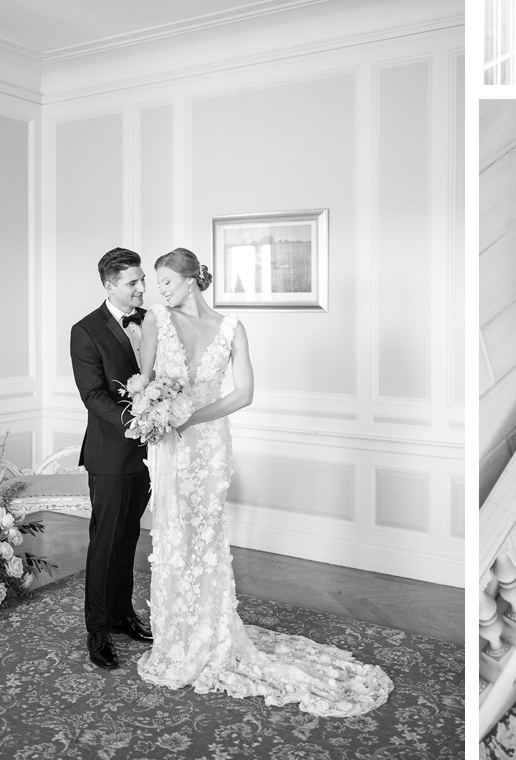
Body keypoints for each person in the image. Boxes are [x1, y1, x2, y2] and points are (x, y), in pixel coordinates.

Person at [133, 247, 391, 714]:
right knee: (172, 535)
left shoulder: (231, 329)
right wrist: (156, 414)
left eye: (167, 282)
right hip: (169, 448)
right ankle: (177, 635)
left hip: (207, 446)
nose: (160, 291)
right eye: (157, 283)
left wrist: (190, 418)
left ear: (191, 280)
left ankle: (211, 630)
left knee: (206, 535)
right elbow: (144, 382)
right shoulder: (156, 321)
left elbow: (246, 393)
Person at [67, 247, 154, 669]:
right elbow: (93, 396)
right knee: (105, 541)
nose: (142, 287)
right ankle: (97, 629)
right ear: (109, 285)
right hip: (110, 452)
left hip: (150, 452)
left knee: (129, 536)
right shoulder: (85, 330)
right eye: (132, 282)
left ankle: (123, 615)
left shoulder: (151, 320)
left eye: (142, 280)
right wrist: (137, 421)